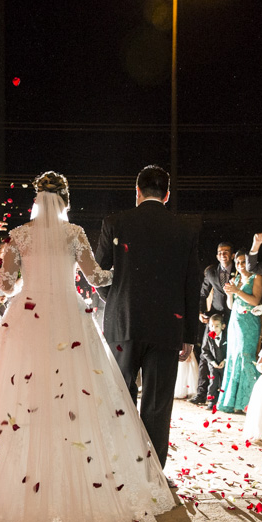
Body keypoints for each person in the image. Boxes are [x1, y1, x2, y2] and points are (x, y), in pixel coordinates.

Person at [0, 172, 176, 522]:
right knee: (76, 398)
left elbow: (8, 285)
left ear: (37, 199)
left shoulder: (18, 236)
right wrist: (128, 268)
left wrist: (9, 282)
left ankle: (19, 485)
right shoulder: (74, 233)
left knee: (22, 401)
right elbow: (97, 278)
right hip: (69, 317)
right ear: (65, 200)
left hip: (27, 319)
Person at [95, 165, 202, 468]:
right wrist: (188, 334)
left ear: (137, 191)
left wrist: (114, 299)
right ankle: (152, 472)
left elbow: (98, 273)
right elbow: (191, 284)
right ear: (167, 194)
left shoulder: (115, 222)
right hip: (167, 327)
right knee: (157, 403)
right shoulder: (186, 228)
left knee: (121, 397)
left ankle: (121, 465)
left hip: (122, 322)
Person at [217, 253, 262, 414]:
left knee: (246, 356)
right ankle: (232, 401)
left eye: (243, 261)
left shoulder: (256, 277)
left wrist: (237, 291)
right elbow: (230, 305)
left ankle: (248, 401)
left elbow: (254, 301)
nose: (240, 265)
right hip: (235, 322)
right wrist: (230, 294)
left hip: (249, 321)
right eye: (237, 262)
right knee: (233, 357)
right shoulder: (236, 280)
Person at [194, 242, 235, 405]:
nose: (223, 254)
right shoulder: (211, 272)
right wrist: (200, 312)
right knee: (205, 355)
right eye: (220, 252)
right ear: (217, 256)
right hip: (213, 319)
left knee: (228, 354)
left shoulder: (239, 268)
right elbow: (202, 294)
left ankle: (225, 396)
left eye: (226, 252)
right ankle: (201, 394)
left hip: (233, 318)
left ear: (231, 255)